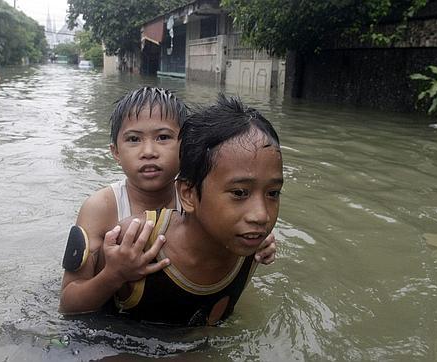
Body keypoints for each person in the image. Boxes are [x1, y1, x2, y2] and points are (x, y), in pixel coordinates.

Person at [61, 94, 284, 326]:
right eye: (134, 139)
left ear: (185, 148)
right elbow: (68, 303)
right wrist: (114, 274)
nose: (149, 151)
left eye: (164, 137)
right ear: (115, 151)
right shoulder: (101, 207)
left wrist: (257, 240)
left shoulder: (205, 198)